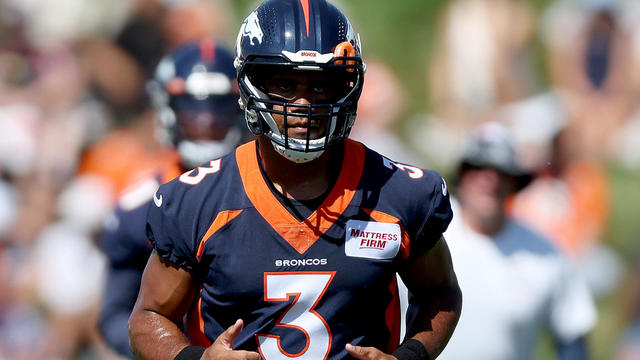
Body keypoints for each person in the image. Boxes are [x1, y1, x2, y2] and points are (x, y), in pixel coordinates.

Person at [128, 1, 462, 360]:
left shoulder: (397, 192)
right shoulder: (198, 201)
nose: (303, 102)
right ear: (251, 85)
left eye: (321, 85)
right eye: (285, 84)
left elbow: (439, 293)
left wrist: (408, 356)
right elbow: (149, 317)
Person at [98, 39, 244, 358]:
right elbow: (115, 316)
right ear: (166, 110)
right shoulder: (135, 209)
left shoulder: (271, 188)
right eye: (193, 109)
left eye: (218, 109)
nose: (206, 122)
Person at [437, 122, 597, 360]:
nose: (489, 180)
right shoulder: (427, 234)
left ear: (515, 182)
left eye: (501, 171)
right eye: (478, 168)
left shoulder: (544, 253)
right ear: (461, 176)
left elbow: (572, 332)